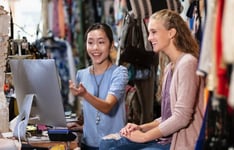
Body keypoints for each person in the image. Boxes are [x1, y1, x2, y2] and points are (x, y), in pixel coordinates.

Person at [99, 9, 205, 150]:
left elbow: (182, 117)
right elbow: (168, 117)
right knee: (106, 144)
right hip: (167, 139)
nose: (149, 38)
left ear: (171, 33)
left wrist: (144, 137)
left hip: (182, 142)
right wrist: (142, 128)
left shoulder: (188, 63)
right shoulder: (169, 68)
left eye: (154, 32)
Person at [68, 23, 129, 149]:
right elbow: (91, 113)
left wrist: (85, 94)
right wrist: (84, 126)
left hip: (114, 145)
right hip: (87, 144)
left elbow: (107, 107)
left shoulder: (119, 73)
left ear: (111, 45)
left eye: (101, 42)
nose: (95, 48)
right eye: (90, 43)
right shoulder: (81, 74)